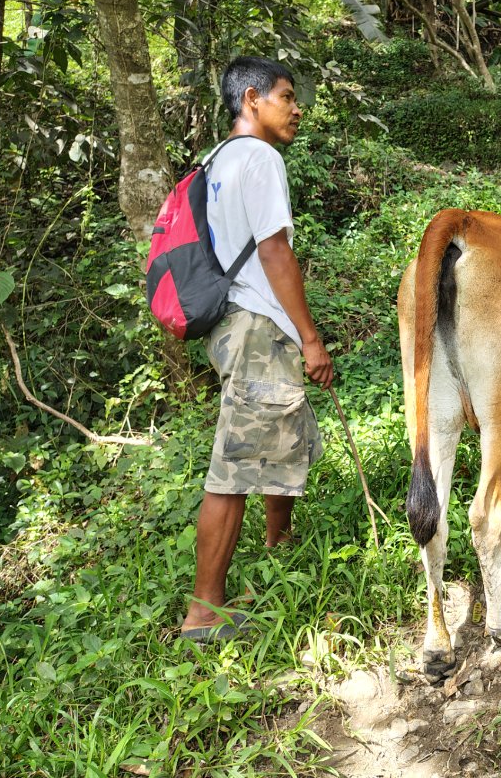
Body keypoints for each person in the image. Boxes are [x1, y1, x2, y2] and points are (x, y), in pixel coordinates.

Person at [180, 56, 334, 642]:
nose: (297, 109)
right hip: (254, 326)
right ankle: (204, 613)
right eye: (287, 96)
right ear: (251, 100)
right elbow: (274, 253)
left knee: (275, 426)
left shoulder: (215, 161)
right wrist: (311, 338)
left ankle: (279, 542)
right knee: (233, 467)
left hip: (230, 324)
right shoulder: (261, 158)